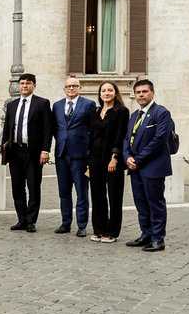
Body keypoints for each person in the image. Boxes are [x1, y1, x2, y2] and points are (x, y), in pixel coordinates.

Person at [124, 79, 173, 252]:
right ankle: (146, 235)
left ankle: (158, 239)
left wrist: (138, 159)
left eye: (144, 92)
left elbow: (159, 140)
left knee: (155, 203)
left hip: (153, 166)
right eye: (138, 92)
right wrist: (127, 157)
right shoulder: (134, 115)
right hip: (135, 167)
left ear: (152, 93)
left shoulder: (161, 113)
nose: (141, 95)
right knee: (141, 203)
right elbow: (126, 139)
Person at [1, 72, 53, 233]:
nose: (24, 86)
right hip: (15, 151)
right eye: (22, 83)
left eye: (28, 83)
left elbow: (48, 129)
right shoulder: (11, 105)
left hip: (34, 152)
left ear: (34, 86)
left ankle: (31, 220)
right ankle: (21, 219)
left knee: (33, 186)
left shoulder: (42, 103)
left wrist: (45, 150)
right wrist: (3, 147)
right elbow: (7, 129)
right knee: (17, 187)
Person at [52, 77, 97, 237]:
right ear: (64, 89)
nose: (71, 89)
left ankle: (82, 225)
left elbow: (93, 130)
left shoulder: (88, 104)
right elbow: (56, 128)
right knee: (63, 192)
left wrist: (90, 153)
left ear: (80, 88)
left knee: (81, 191)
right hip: (61, 154)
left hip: (80, 155)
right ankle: (65, 223)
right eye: (68, 86)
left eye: (74, 86)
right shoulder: (57, 106)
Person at [88, 81, 129, 243]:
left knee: (114, 195)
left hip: (112, 158)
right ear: (99, 94)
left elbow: (121, 136)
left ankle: (112, 231)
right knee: (97, 195)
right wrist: (88, 161)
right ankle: (99, 229)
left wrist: (115, 157)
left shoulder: (121, 111)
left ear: (115, 92)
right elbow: (91, 137)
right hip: (95, 158)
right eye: (103, 90)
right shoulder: (96, 112)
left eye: (110, 90)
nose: (106, 93)